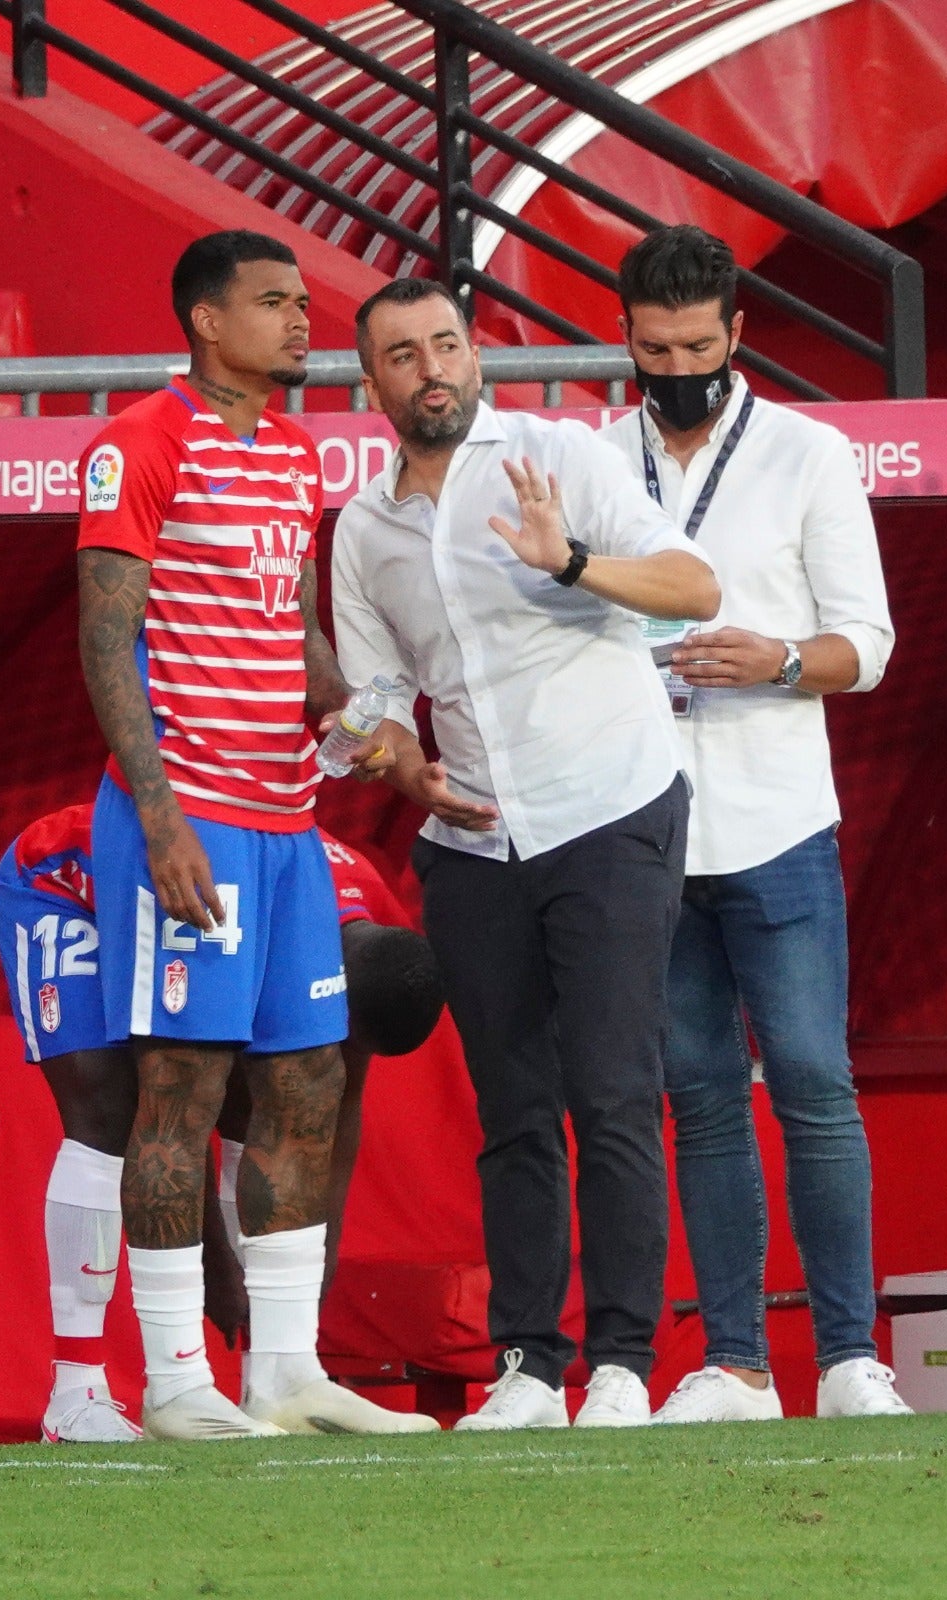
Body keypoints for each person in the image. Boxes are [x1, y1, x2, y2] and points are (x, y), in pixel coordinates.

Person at [332, 278, 721, 1430]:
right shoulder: (361, 530)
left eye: (446, 342)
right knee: (511, 1111)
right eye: (402, 354)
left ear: (474, 354)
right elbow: (370, 701)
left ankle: (617, 1367)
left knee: (611, 1094)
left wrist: (570, 562)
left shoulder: (558, 456)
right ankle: (528, 1364)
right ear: (373, 385)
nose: (431, 367)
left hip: (608, 808)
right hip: (472, 838)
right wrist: (391, 760)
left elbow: (693, 587)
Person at [76, 229, 434, 1440]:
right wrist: (160, 817)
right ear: (204, 323)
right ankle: (176, 1375)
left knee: (306, 1080)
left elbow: (286, 626)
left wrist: (351, 713)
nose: (300, 322)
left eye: (303, 301)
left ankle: (283, 1367)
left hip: (287, 823)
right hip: (192, 820)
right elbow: (103, 638)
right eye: (273, 303)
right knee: (180, 1084)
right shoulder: (140, 442)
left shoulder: (293, 454)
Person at [600, 224, 909, 1422]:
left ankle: (845, 1356)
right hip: (638, 821)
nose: (672, 363)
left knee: (814, 1080)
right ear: (624, 340)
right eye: (649, 346)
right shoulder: (591, 458)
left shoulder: (805, 453)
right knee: (697, 1091)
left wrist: (777, 656)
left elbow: (866, 646)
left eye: (692, 343)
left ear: (736, 335)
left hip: (776, 815)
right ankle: (733, 1361)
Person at [0, 806, 445, 1442]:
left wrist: (311, 1276)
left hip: (235, 897)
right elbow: (176, 1107)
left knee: (281, 1096)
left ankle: (277, 1381)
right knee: (111, 1108)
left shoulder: (371, 914)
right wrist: (214, 1267)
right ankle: (76, 1394)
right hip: (70, 886)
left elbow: (335, 1108)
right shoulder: (248, 919)